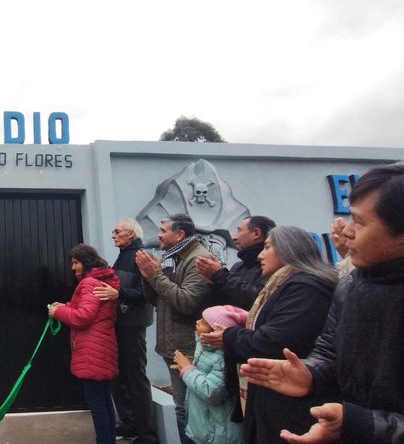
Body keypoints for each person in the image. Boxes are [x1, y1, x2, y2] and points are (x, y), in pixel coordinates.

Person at [240, 163, 404, 443]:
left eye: (360, 222)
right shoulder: (350, 285)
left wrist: (362, 423)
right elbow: (329, 352)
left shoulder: (308, 285)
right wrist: (310, 375)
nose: (347, 232)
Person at [202, 226, 338, 443]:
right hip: (272, 397)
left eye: (267, 247)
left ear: (288, 250)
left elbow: (275, 341)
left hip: (290, 405)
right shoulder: (281, 285)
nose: (259, 255)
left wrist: (230, 336)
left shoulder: (307, 288)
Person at [135, 213, 210, 444]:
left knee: (192, 412)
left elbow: (186, 302)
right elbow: (157, 299)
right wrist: (148, 278)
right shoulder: (170, 258)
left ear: (179, 234)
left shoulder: (197, 260)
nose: (158, 234)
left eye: (163, 230)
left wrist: (154, 275)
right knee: (182, 409)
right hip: (173, 347)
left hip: (189, 349)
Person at [48, 243, 120, 444]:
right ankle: (109, 440)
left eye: (75, 263)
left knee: (97, 403)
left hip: (92, 349)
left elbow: (83, 316)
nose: (72, 267)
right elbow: (91, 309)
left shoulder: (89, 283)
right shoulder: (99, 280)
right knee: (104, 399)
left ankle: (105, 441)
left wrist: (58, 312)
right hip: (102, 346)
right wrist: (66, 305)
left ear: (86, 262)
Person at [93, 218, 156, 443]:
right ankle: (129, 425)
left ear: (131, 234)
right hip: (120, 324)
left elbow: (147, 293)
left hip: (133, 325)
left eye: (117, 231)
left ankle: (147, 434)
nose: (113, 235)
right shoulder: (124, 255)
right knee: (118, 377)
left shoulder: (141, 256)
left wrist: (117, 294)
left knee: (135, 378)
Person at [170, 305, 247, 444]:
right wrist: (187, 367)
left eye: (204, 322)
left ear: (216, 331)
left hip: (217, 433)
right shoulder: (205, 348)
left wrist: (188, 369)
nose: (197, 321)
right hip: (202, 428)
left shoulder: (223, 359)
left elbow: (212, 392)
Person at [195, 216, 276, 310]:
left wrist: (219, 275)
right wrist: (213, 282)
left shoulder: (272, 267)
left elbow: (257, 301)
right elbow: (220, 303)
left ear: (256, 233)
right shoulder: (238, 266)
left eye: (239, 231)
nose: (234, 237)